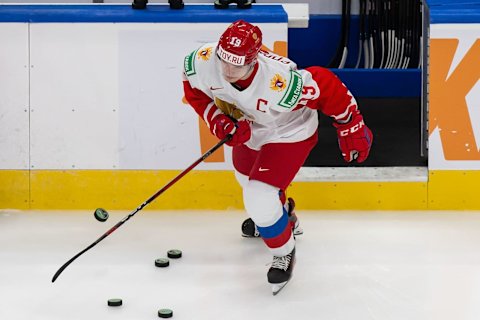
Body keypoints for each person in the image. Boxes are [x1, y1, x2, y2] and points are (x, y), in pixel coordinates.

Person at [182, 20, 373, 295]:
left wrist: (350, 125)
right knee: (244, 179)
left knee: (258, 196)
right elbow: (194, 92)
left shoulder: (279, 83)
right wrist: (219, 121)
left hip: (288, 132)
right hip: (250, 128)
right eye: (224, 60)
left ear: (254, 60)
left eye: (236, 66)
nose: (226, 71)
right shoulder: (203, 60)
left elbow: (324, 83)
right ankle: (284, 219)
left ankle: (284, 252)